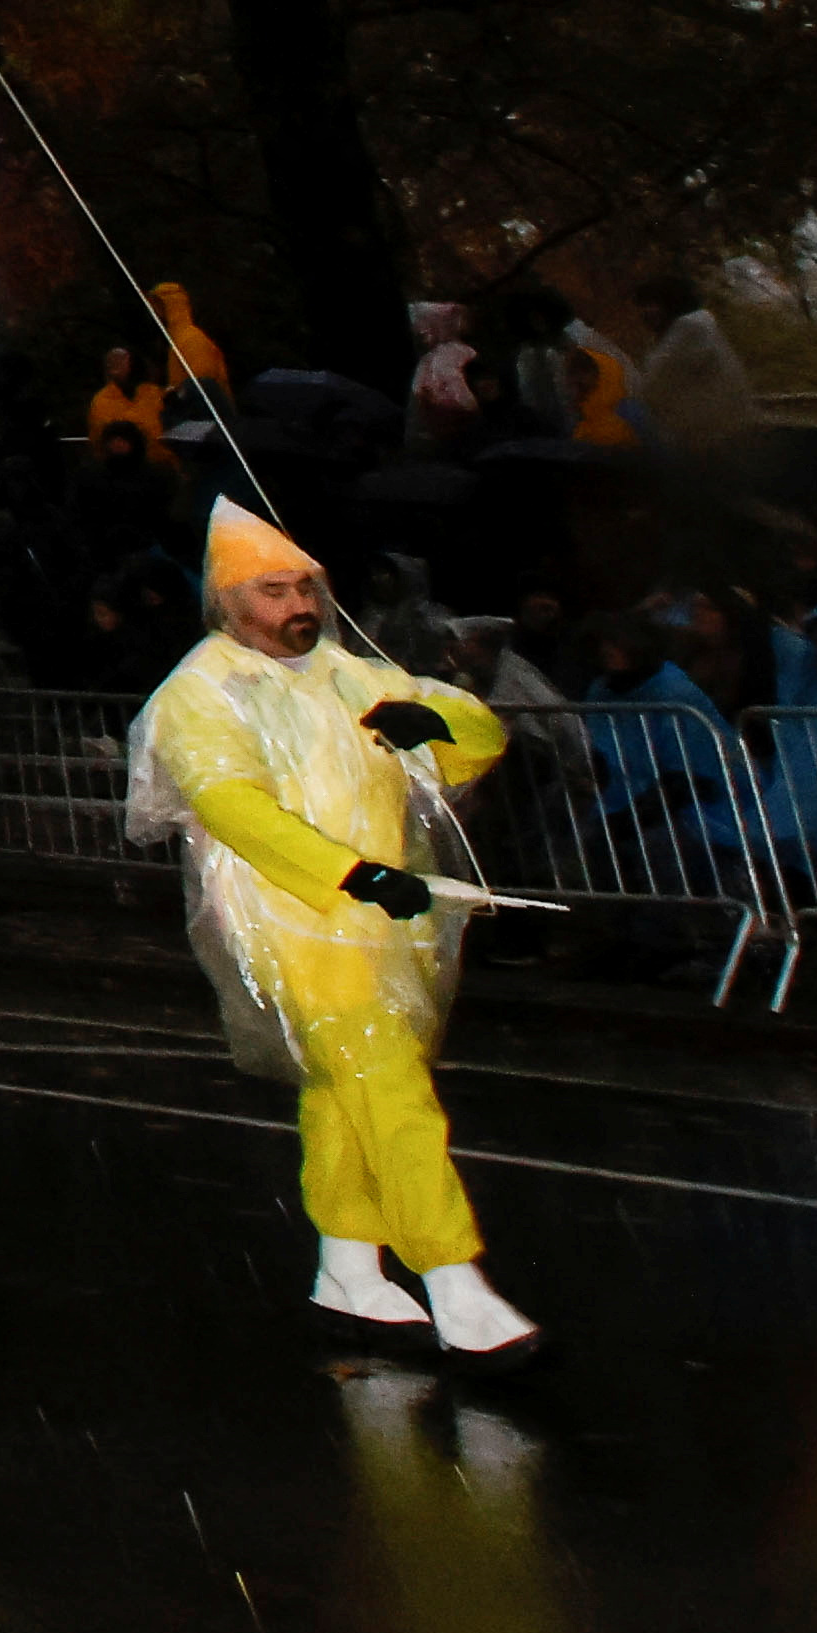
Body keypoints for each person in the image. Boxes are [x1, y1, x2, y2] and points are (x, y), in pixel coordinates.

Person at [127, 503, 532, 1350]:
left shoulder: (347, 672)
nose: (297, 602)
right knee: (391, 1088)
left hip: (381, 915)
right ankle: (455, 1281)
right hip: (295, 920)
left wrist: (443, 723)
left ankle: (348, 1266)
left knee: (341, 1085)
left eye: (306, 585)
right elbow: (232, 806)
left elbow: (476, 730)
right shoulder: (201, 692)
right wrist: (348, 875)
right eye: (273, 589)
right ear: (230, 599)